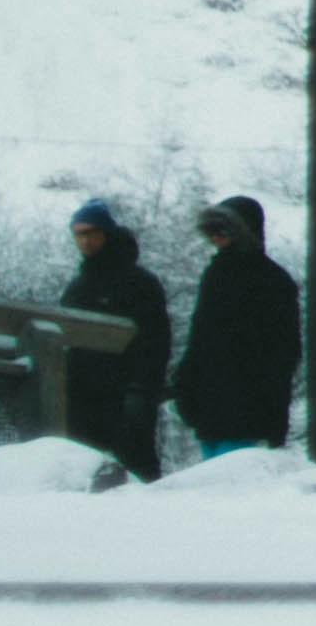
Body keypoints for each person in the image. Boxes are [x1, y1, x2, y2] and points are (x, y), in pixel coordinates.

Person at [173, 195, 303, 463]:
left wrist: (275, 415)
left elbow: (284, 354)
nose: (217, 237)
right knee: (215, 482)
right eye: (213, 231)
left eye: (224, 230)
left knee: (234, 483)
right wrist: (186, 385)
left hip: (249, 407)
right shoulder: (215, 275)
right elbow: (199, 339)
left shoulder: (272, 282)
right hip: (211, 404)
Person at [60, 199, 173, 477]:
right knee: (84, 471)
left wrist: (142, 388)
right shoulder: (79, 286)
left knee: (137, 468)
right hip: (83, 395)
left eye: (90, 233)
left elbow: (156, 340)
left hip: (127, 393)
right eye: (78, 234)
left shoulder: (138, 283)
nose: (84, 241)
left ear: (106, 233)